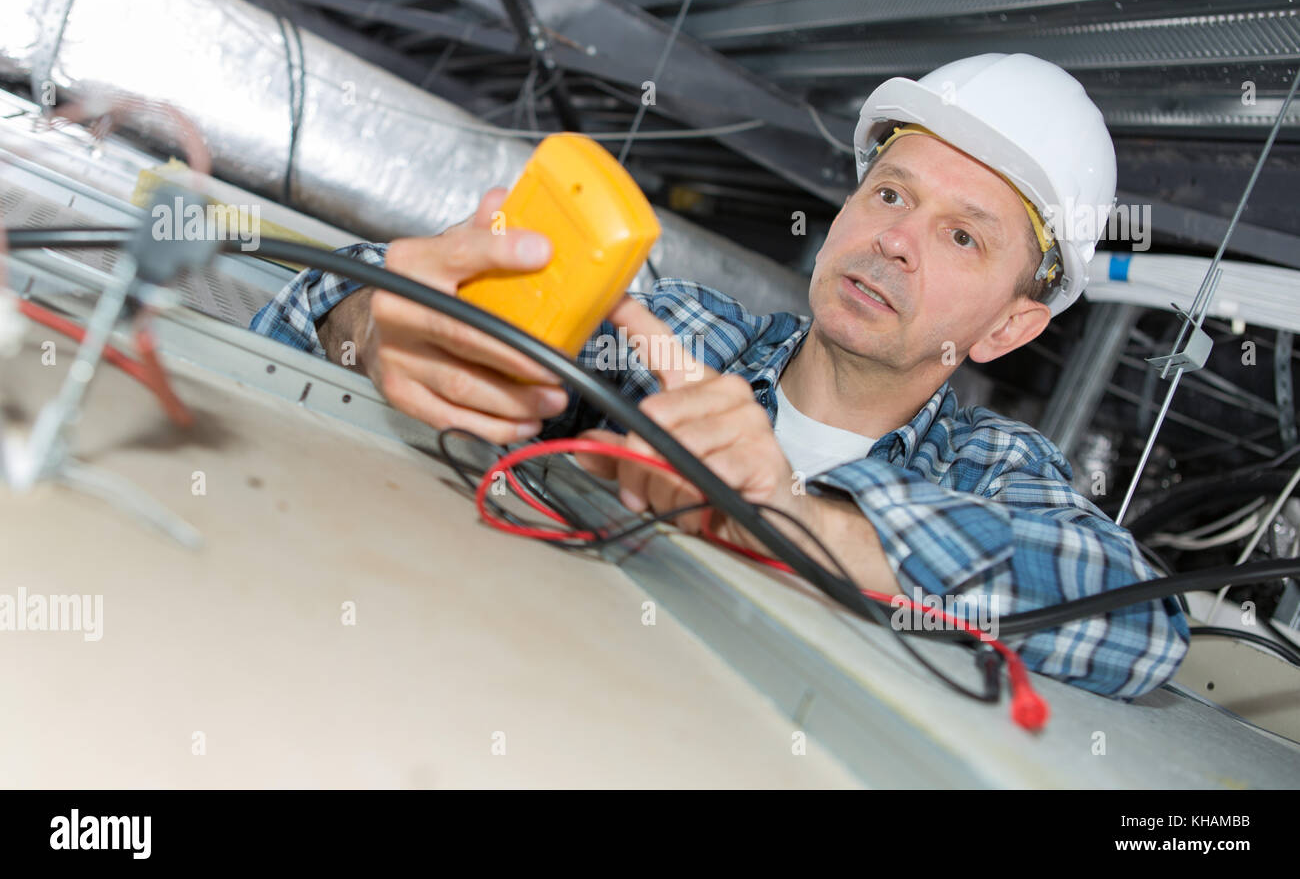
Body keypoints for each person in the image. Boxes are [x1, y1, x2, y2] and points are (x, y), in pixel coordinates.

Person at [250, 53, 1188, 699]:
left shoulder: (993, 467)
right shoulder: (684, 331)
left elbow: (1140, 622)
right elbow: (315, 300)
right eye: (891, 193)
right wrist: (376, 325)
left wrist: (793, 519)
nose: (895, 240)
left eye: (962, 235)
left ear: (1011, 325)